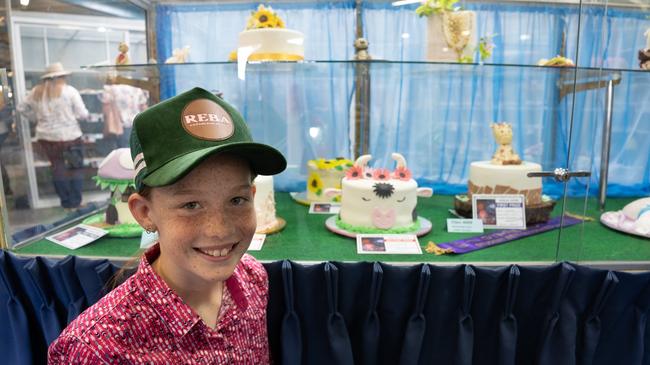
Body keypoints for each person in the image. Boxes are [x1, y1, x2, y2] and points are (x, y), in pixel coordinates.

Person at [48, 87, 286, 364]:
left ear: (252, 196)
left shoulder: (253, 279)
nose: (219, 229)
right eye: (191, 205)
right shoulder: (94, 350)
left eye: (236, 199)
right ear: (145, 212)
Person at [17, 62, 89, 211]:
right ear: (62, 76)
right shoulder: (70, 91)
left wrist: (35, 118)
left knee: (58, 169)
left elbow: (21, 108)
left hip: (46, 138)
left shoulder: (36, 92)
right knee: (75, 169)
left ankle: (66, 203)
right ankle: (75, 202)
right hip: (70, 136)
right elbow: (83, 114)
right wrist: (72, 117)